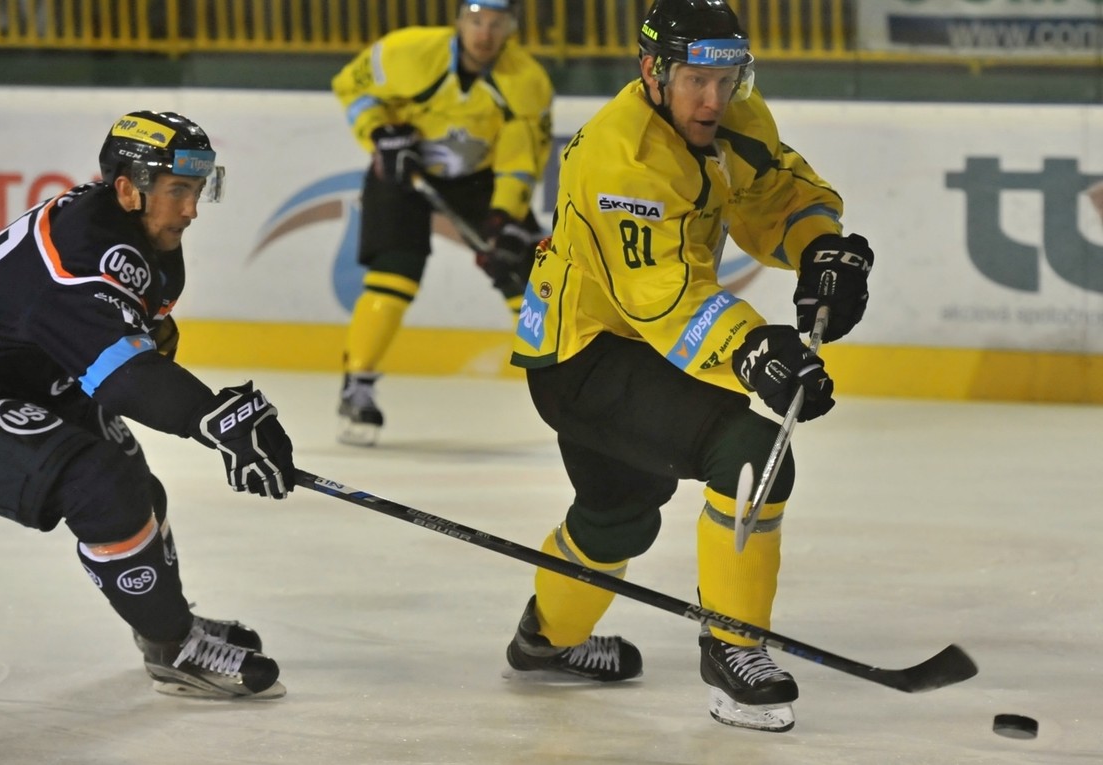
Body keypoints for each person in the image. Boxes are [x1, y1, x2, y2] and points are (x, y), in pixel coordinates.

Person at [504, 0, 874, 733]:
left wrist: (820, 248)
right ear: (653, 71)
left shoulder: (732, 113)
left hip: (634, 343)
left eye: (727, 76)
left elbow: (778, 195)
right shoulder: (622, 156)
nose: (713, 97)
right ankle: (734, 651)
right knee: (749, 450)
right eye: (695, 80)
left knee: (618, 518)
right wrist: (752, 348)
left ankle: (545, 640)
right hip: (586, 356)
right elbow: (663, 298)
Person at [0, 111, 298, 700]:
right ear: (129, 188)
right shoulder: (85, 250)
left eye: (197, 190)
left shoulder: (138, 233)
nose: (191, 209)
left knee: (135, 486)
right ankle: (175, 647)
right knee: (101, 485)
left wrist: (189, 396)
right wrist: (219, 419)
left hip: (17, 371)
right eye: (179, 190)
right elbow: (124, 377)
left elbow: (136, 341)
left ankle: (167, 628)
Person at [329, 0, 554, 446]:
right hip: (400, 171)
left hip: (479, 181)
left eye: (495, 23)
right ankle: (358, 385)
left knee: (524, 273)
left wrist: (505, 216)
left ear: (510, 26)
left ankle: (560, 381)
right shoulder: (408, 51)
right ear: (459, 21)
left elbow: (520, 160)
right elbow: (350, 88)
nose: (484, 33)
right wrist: (379, 133)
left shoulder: (527, 81)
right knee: (394, 276)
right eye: (475, 20)